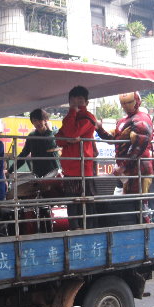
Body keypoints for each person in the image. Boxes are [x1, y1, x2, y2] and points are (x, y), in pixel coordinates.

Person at [55, 85, 97, 229]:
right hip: (70, 169)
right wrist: (69, 139)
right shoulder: (69, 117)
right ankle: (75, 229)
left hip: (83, 168)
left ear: (86, 102)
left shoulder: (88, 117)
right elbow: (59, 139)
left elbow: (70, 133)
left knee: (85, 202)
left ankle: (88, 230)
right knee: (72, 203)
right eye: (73, 99)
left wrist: (69, 136)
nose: (76, 102)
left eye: (80, 99)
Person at [96, 91, 154, 195]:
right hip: (125, 168)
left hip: (138, 166)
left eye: (129, 102)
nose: (126, 106)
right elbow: (114, 139)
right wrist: (100, 129)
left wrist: (123, 165)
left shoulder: (142, 119)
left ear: (137, 101)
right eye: (123, 103)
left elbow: (140, 145)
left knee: (137, 201)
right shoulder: (122, 121)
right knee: (128, 200)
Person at [8, 108, 61, 178]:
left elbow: (51, 147)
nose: (37, 123)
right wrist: (10, 170)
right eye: (35, 121)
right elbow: (23, 154)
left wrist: (49, 132)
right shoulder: (31, 136)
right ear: (32, 122)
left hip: (54, 173)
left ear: (46, 120)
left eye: (40, 120)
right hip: (38, 174)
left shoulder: (54, 133)